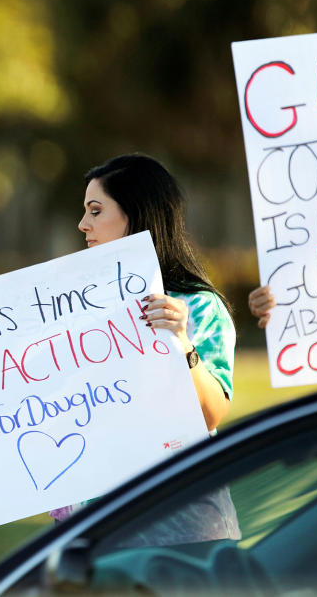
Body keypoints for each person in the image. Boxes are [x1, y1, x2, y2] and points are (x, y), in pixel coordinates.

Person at [54, 153, 240, 544]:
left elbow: (210, 414)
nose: (83, 224)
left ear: (136, 214)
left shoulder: (198, 307)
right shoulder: (78, 309)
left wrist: (180, 340)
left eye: (95, 210)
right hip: (93, 528)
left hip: (180, 525)